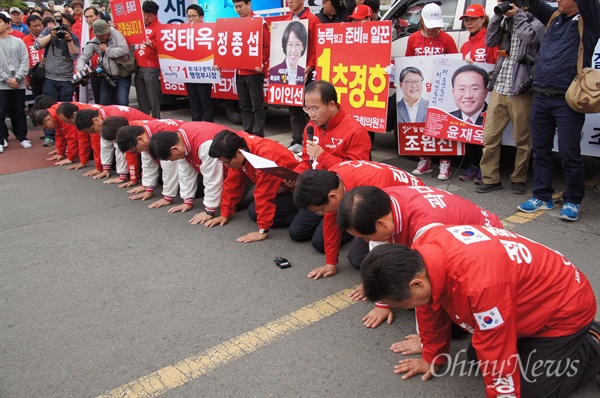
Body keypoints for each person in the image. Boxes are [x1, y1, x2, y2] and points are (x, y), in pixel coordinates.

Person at [360, 226, 600, 397]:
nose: (407, 309)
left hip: (564, 308)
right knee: (475, 358)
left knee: (530, 391)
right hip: (520, 301)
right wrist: (431, 355)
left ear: (417, 284)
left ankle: (593, 342)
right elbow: (430, 309)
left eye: (403, 305)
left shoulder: (481, 284)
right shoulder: (421, 257)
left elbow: (496, 349)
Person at [338, 185, 502, 329]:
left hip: (488, 244)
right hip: (454, 234)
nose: (367, 241)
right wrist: (382, 301)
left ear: (381, 223)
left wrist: (424, 339)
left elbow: (425, 279)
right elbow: (380, 250)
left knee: (454, 323)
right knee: (360, 258)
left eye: (367, 236)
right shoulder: (382, 202)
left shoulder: (425, 230)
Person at [517, 0, 600, 222]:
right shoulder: (554, 17)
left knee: (569, 153)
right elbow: (531, 2)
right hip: (542, 96)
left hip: (568, 99)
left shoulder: (589, 19)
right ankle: (542, 195)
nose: (559, 0)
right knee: (540, 150)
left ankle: (573, 200)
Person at [293, 160, 424, 280]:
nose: (321, 214)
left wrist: (374, 283)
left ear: (332, 197)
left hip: (413, 208)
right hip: (382, 208)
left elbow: (387, 228)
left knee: (362, 258)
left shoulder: (374, 188)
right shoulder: (333, 180)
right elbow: (330, 224)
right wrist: (330, 263)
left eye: (320, 211)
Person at [287, 80, 372, 249]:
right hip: (318, 190)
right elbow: (306, 161)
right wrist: (295, 175)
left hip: (341, 195)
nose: (311, 114)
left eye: (315, 108)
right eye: (307, 108)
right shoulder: (311, 127)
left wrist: (323, 156)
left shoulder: (355, 131)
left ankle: (353, 227)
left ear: (331, 104)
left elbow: (356, 171)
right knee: (296, 233)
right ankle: (321, 216)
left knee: (321, 244)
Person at [476, 2, 544, 195]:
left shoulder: (534, 23)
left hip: (520, 90)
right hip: (500, 86)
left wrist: (519, 15)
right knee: (490, 137)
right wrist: (498, 16)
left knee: (522, 139)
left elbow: (529, 38)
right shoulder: (505, 22)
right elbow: (490, 41)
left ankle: (519, 178)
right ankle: (490, 178)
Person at [204, 130, 300, 243]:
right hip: (280, 188)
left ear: (239, 152)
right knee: (254, 212)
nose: (226, 165)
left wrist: (262, 230)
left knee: (276, 220)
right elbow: (232, 183)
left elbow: (264, 194)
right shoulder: (242, 148)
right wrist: (224, 214)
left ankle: (309, 212)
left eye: (226, 162)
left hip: (298, 190)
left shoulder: (266, 155)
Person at [406, 2, 458, 180]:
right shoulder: (413, 38)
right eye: (428, 25)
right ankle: (425, 160)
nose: (431, 30)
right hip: (419, 89)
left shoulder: (447, 39)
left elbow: (454, 63)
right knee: (419, 123)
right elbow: (408, 63)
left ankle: (445, 163)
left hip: (440, 89)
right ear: (422, 20)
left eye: (435, 27)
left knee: (442, 124)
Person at [147, 122, 231, 223]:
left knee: (229, 203)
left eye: (171, 159)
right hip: (226, 170)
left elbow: (213, 179)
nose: (172, 161)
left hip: (242, 171)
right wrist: (187, 201)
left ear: (174, 149)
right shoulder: (181, 138)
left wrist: (209, 211)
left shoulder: (205, 145)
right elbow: (185, 171)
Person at [457, 4, 499, 185]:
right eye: (466, 19)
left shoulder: (491, 40)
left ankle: (485, 168)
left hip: (488, 94)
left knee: (486, 133)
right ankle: (473, 164)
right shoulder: (466, 45)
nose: (469, 23)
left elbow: (497, 64)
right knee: (469, 129)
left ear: (483, 19)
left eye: (473, 19)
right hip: (470, 96)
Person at [114, 118, 196, 209]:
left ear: (139, 139)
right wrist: (148, 188)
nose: (136, 153)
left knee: (194, 186)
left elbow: (170, 168)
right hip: (185, 156)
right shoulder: (145, 134)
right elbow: (148, 163)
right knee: (163, 179)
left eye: (134, 150)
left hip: (195, 157)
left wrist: (168, 197)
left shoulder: (162, 134)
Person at [281, 0, 320, 154]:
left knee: (307, 109)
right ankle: (297, 139)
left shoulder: (313, 20)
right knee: (293, 108)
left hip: (306, 73)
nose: (289, 2)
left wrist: (309, 67)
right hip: (289, 71)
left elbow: (316, 47)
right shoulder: (286, 21)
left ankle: (309, 142)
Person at [73, 106, 151, 182]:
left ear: (96, 120)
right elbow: (105, 143)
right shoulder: (103, 116)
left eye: (92, 130)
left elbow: (123, 149)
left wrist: (124, 176)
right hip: (143, 137)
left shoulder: (114, 118)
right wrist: (105, 168)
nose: (93, 133)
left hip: (149, 139)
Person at [232, 0, 269, 137]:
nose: (238, 10)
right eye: (236, 7)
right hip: (239, 71)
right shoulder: (235, 24)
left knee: (257, 105)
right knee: (244, 105)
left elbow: (266, 46)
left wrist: (261, 62)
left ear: (249, 4)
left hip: (254, 72)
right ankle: (247, 133)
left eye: (240, 6)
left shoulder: (259, 21)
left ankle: (258, 135)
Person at [76, 20, 132, 106]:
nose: (101, 37)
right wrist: (80, 69)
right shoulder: (94, 41)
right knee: (104, 103)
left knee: (122, 101)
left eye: (103, 35)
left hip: (122, 73)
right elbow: (83, 57)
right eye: (98, 35)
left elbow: (125, 50)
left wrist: (107, 50)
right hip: (107, 75)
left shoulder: (116, 34)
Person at [0, 12, 31, 153]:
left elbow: (25, 60)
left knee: (19, 111)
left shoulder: (18, 41)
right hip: (2, 85)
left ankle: (23, 137)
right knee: (1, 112)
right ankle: (1, 139)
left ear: (7, 24)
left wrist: (17, 78)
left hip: (18, 84)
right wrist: (7, 79)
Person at [34, 11, 79, 104]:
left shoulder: (73, 37)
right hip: (49, 78)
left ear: (71, 27)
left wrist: (69, 40)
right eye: (60, 24)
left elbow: (74, 56)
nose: (62, 28)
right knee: (50, 107)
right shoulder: (48, 31)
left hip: (66, 79)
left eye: (66, 26)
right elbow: (37, 45)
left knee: (65, 108)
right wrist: (51, 35)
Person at [184, 5, 214, 122]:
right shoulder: (184, 32)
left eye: (193, 16)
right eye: (189, 16)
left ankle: (208, 130)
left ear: (201, 17)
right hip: (189, 73)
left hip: (203, 73)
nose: (190, 19)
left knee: (205, 104)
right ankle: (196, 129)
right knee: (194, 105)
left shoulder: (209, 31)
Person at [134, 1, 162, 119]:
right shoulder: (139, 25)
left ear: (156, 15)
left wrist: (152, 44)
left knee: (153, 97)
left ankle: (156, 120)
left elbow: (163, 46)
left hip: (151, 66)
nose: (146, 18)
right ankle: (144, 119)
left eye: (149, 15)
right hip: (138, 65)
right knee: (141, 96)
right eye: (144, 14)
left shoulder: (159, 27)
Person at [21, 15, 45, 102]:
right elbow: (23, 60)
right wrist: (27, 79)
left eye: (40, 25)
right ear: (29, 27)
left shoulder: (48, 38)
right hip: (35, 77)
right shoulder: (24, 41)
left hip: (50, 75)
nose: (38, 28)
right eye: (34, 26)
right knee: (39, 101)